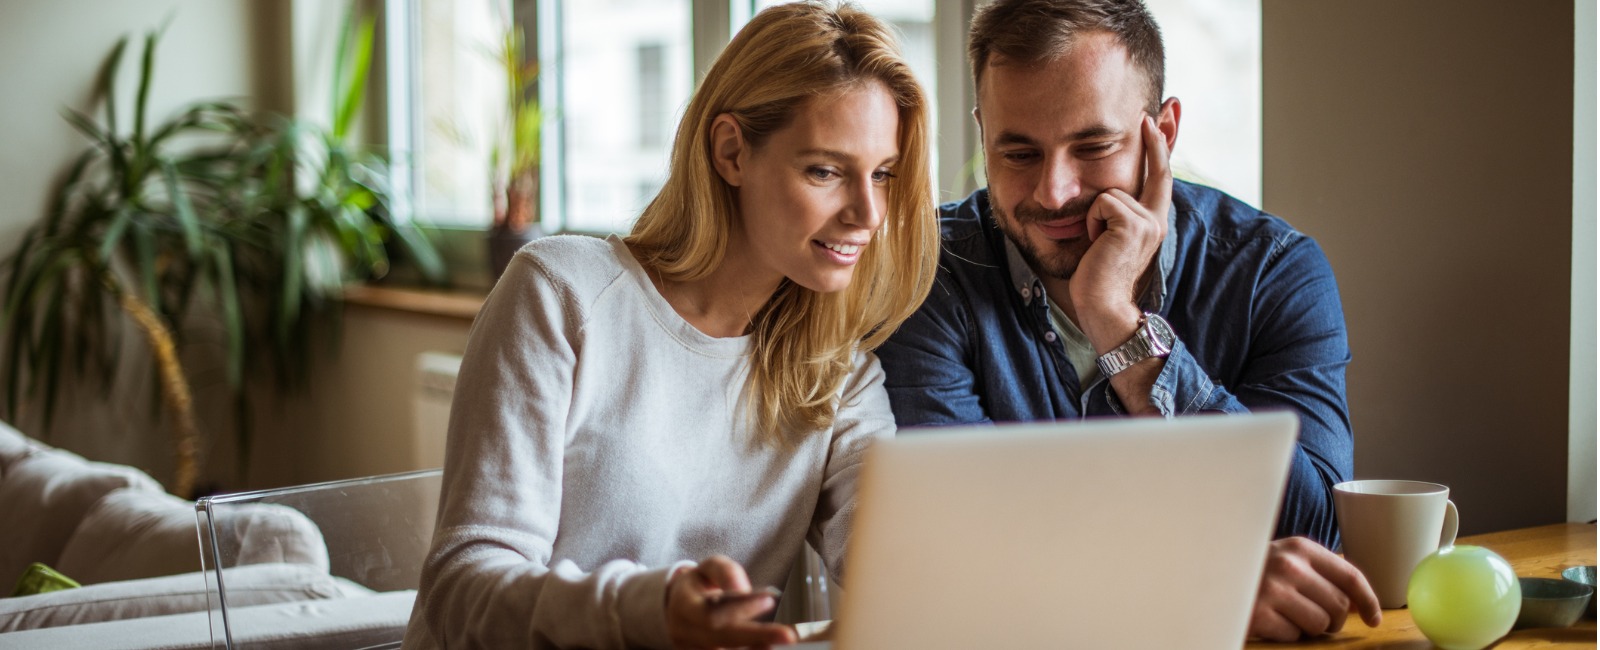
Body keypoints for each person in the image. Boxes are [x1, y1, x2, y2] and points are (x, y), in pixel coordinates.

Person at [402, 3, 937, 649]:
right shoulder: (562, 293)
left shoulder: (839, 375)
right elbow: (461, 589)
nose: (868, 213)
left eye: (883, 174)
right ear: (731, 151)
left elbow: (898, 567)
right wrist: (649, 611)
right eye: (825, 171)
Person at [875, 0, 1382, 642]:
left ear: (1162, 134)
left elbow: (1316, 533)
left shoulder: (1272, 273)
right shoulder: (929, 273)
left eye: (1092, 147)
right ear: (983, 135)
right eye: (1019, 153)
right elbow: (952, 549)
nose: (1054, 192)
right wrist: (1202, 584)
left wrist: (1119, 324)